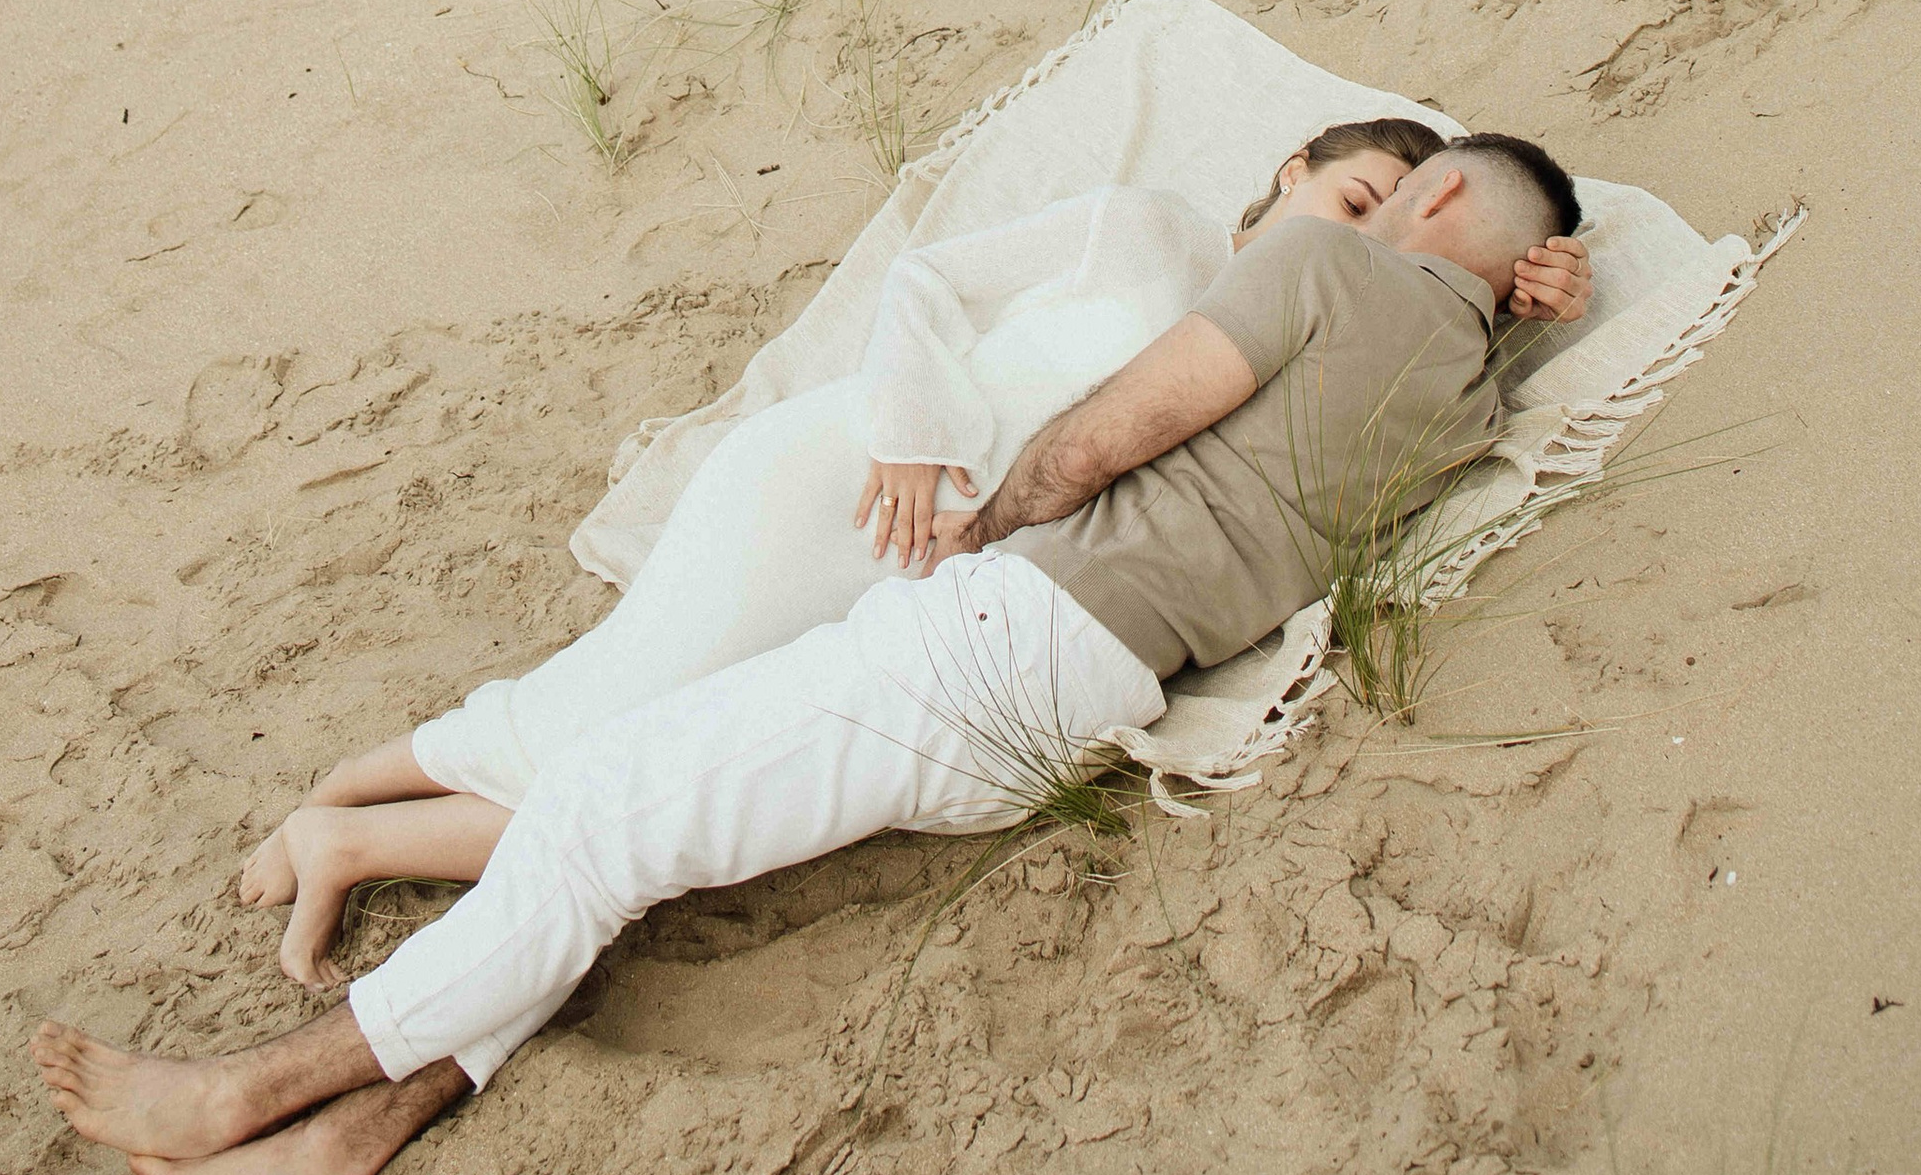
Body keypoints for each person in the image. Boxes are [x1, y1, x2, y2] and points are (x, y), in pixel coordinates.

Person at [35, 133, 1588, 1175]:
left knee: (593, 811)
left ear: (1436, 193)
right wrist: (1517, 318)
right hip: (1070, 715)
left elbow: (1113, 430)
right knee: (630, 841)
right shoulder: (1459, 405)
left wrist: (984, 525)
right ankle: (343, 1149)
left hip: (1010, 635)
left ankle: (253, 1095)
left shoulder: (1318, 262)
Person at [237, 117, 1589, 985]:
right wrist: (903, 429)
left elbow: (1400, 382)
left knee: (686, 751)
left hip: (966, 571)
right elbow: (930, 285)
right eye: (1352, 197)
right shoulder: (1153, 229)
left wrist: (1520, 293)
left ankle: (350, 837)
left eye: (1385, 217)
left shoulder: (1317, 319)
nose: (1356, 230)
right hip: (870, 484)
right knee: (617, 699)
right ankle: (347, 790)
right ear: (1292, 171)